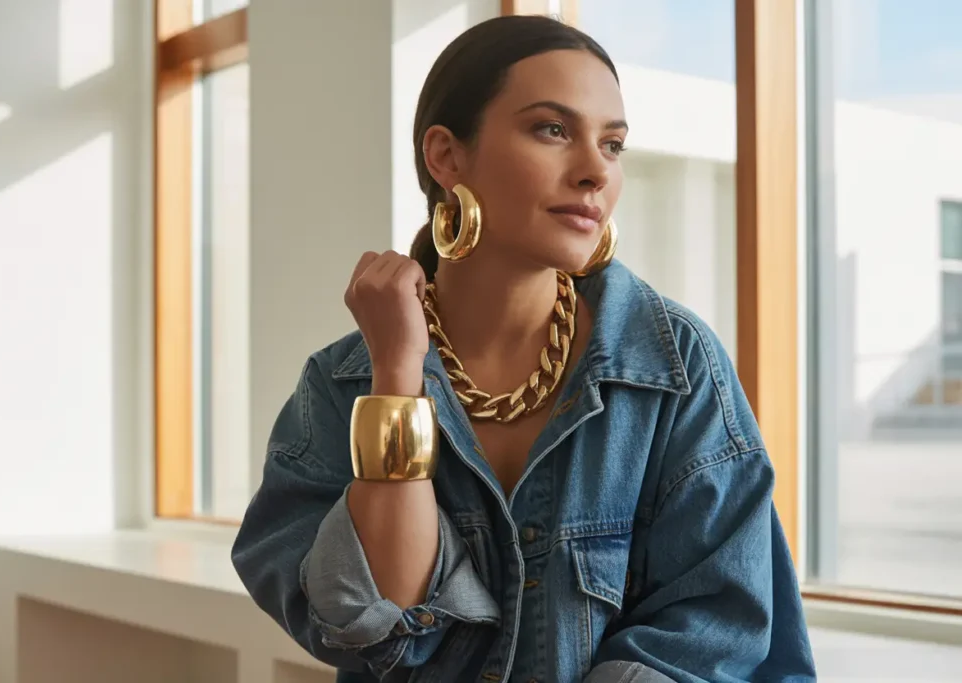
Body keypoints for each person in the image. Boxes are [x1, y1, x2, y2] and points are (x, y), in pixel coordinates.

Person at [232, 14, 816, 683]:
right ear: (447, 156)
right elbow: (380, 628)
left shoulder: (674, 369)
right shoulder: (343, 384)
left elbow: (714, 636)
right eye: (553, 129)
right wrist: (396, 376)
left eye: (614, 144)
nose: (596, 171)